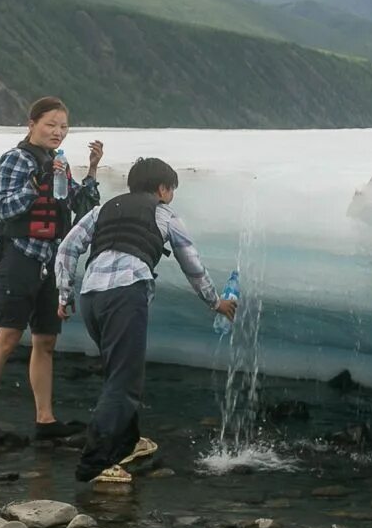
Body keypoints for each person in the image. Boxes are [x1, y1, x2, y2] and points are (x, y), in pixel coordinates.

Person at [55, 156, 237, 483]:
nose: (172, 196)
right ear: (163, 189)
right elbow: (191, 264)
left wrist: (64, 294)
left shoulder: (103, 209)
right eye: (172, 190)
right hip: (126, 294)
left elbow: (68, 248)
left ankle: (128, 443)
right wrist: (216, 302)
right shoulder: (164, 214)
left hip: (92, 297)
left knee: (117, 373)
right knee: (124, 382)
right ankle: (96, 462)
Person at [0, 96, 104, 446]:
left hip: (52, 259)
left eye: (63, 126)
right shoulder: (15, 159)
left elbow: (80, 204)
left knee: (46, 340)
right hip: (20, 257)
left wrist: (91, 169)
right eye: (51, 125)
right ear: (31, 124)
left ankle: (45, 419)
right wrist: (36, 181)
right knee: (9, 336)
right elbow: (6, 207)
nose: (58, 132)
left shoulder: (61, 163)